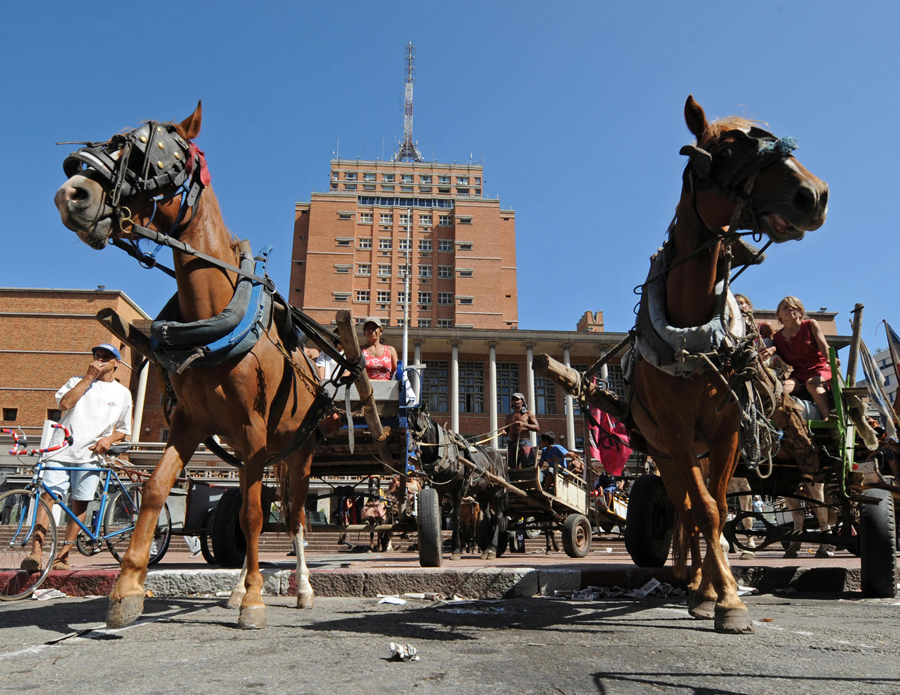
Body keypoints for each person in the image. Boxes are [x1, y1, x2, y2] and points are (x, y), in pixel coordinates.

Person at [21, 343, 133, 572]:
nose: (100, 360)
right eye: (97, 356)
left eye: (106, 357)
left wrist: (109, 440)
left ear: (116, 364)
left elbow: (123, 429)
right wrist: (88, 377)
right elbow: (64, 404)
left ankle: (63, 555)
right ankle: (36, 553)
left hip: (91, 455)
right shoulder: (76, 381)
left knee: (79, 502)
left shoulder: (122, 393)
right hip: (60, 449)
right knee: (48, 497)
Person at [762, 296, 833, 420]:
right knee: (782, 388)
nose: (790, 309)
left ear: (800, 312)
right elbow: (777, 350)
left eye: (795, 307)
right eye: (785, 307)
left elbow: (824, 347)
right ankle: (774, 418)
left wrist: (831, 360)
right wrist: (772, 349)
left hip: (820, 368)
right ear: (779, 315)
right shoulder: (778, 337)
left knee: (813, 383)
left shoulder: (810, 325)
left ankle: (827, 418)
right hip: (799, 373)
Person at [504, 393, 539, 469]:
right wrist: (504, 433)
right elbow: (506, 431)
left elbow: (537, 427)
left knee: (527, 467)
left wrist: (524, 425)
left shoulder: (528, 414)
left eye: (517, 400)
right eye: (514, 400)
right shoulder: (509, 417)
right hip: (512, 444)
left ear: (522, 402)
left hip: (524, 443)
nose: (516, 402)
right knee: (511, 467)